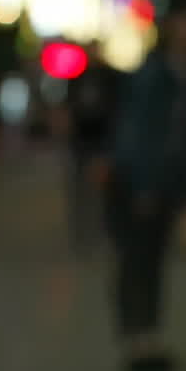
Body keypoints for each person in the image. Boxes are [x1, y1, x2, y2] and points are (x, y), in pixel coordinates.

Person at [105, 0, 186, 371]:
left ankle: (148, 340)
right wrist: (143, 185)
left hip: (162, 185)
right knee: (138, 264)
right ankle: (139, 343)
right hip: (141, 186)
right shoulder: (156, 73)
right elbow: (139, 134)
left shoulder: (184, 71)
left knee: (151, 263)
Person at [61, 42, 122, 256]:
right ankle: (82, 235)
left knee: (105, 191)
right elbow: (69, 108)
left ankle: (104, 234)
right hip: (82, 143)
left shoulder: (110, 77)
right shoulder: (77, 78)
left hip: (103, 143)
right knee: (80, 191)